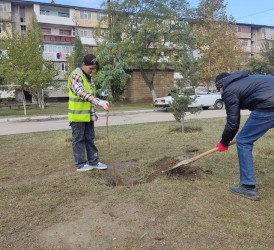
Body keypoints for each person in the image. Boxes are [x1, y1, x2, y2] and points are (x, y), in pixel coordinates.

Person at [215, 70, 274, 201]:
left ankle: (248, 187)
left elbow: (233, 122)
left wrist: (224, 142)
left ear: (221, 86)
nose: (220, 93)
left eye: (218, 90)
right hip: (270, 104)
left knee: (243, 140)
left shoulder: (229, 90)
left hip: (268, 106)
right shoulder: (248, 80)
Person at [68, 53, 109, 172]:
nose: (92, 71)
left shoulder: (88, 77)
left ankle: (94, 162)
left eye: (94, 69)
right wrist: (99, 102)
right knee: (78, 140)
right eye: (90, 68)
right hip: (77, 116)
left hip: (87, 116)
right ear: (83, 64)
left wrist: (94, 112)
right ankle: (80, 164)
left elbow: (89, 97)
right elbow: (81, 93)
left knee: (90, 139)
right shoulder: (76, 76)